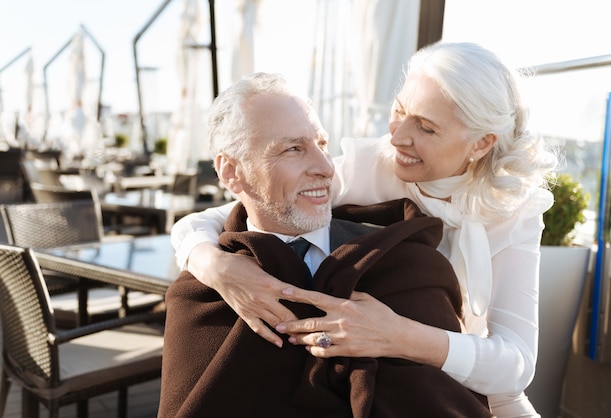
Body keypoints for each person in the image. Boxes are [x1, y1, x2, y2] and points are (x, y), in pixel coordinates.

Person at [170, 42, 560, 417]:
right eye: (400, 110)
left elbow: (516, 365)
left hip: (483, 387)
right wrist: (212, 264)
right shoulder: (375, 164)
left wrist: (396, 335)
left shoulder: (516, 209)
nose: (397, 136)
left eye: (425, 127)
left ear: (481, 144)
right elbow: (239, 201)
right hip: (398, 377)